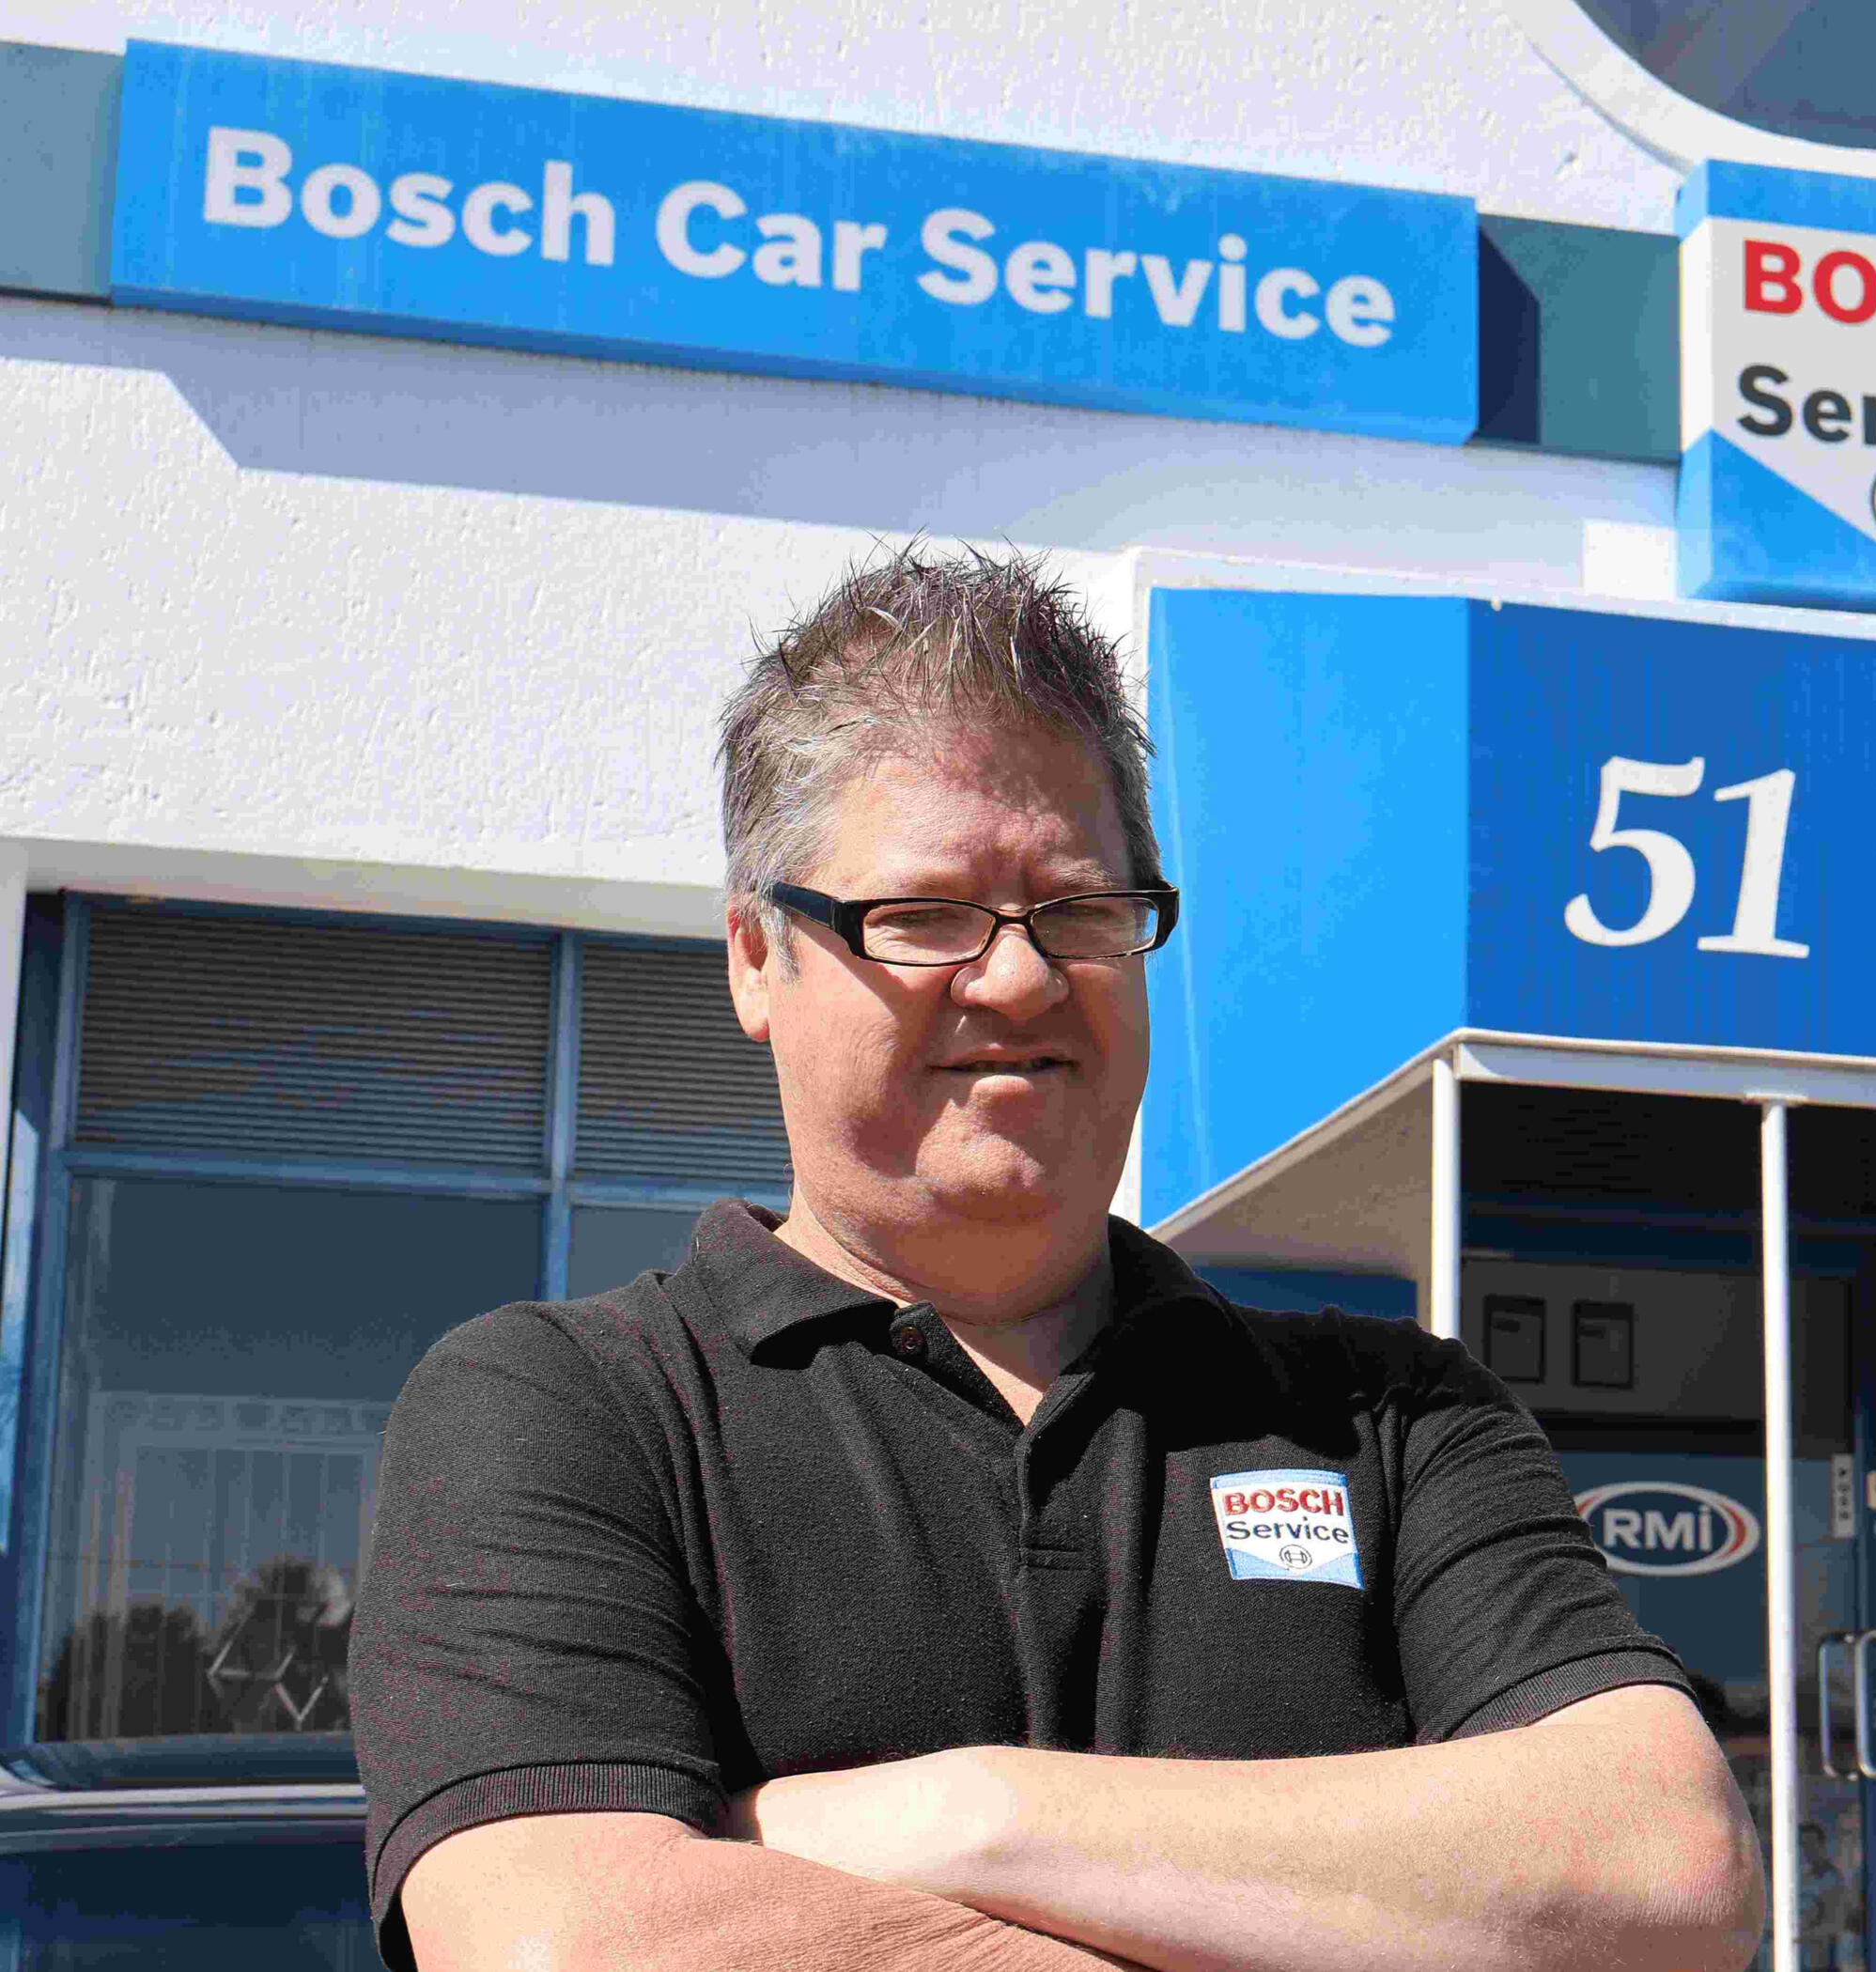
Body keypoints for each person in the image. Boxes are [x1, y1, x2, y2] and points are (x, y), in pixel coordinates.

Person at [350, 545, 1765, 1972]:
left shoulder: (1393, 1421)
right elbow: (561, 1940)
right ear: (753, 960)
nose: (1020, 978)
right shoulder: (572, 1412)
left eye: (1081, 910)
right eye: (924, 916)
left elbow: (1665, 1868)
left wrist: (974, 1814)